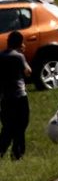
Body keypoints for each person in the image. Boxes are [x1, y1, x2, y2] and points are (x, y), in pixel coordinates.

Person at [0, 32, 32, 161]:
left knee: (7, 126)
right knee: (21, 125)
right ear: (20, 43)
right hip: (19, 96)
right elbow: (28, 72)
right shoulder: (18, 56)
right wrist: (22, 53)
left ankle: (1, 149)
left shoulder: (1, 56)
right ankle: (17, 153)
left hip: (5, 96)